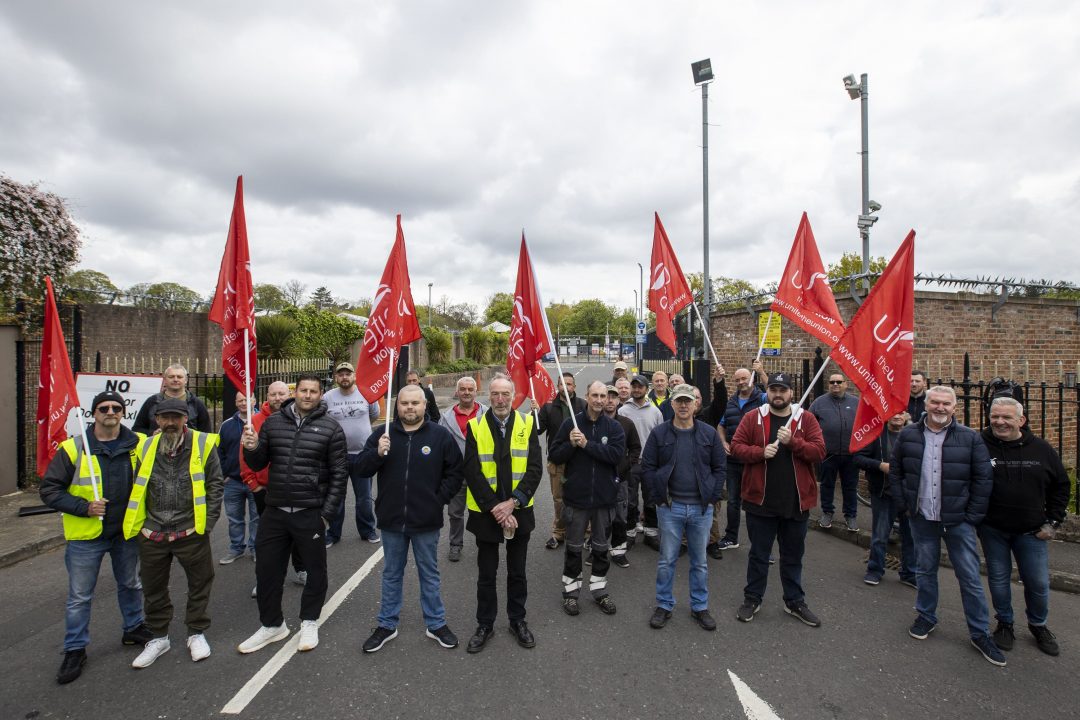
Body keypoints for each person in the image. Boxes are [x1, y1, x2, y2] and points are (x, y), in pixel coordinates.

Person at [40, 390, 152, 684]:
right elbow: (50, 491)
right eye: (104, 407)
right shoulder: (74, 449)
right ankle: (75, 648)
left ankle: (134, 628)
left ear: (123, 413)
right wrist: (84, 507)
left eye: (117, 407)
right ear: (94, 413)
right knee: (79, 597)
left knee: (130, 583)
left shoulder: (138, 444)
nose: (111, 412)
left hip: (125, 532)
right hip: (86, 536)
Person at [889, 386, 1005, 667]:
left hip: (958, 521)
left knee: (969, 578)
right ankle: (926, 616)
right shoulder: (909, 434)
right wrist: (905, 505)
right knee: (925, 571)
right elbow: (896, 471)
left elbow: (983, 479)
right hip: (922, 517)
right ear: (926, 405)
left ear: (955, 408)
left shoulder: (969, 438)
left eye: (946, 404)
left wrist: (971, 516)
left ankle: (979, 633)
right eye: (935, 403)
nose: (940, 408)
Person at [239, 374, 348, 655]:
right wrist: (251, 447)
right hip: (275, 511)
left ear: (320, 395)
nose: (308, 395)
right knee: (267, 571)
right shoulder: (274, 423)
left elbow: (339, 475)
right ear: (295, 392)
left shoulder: (331, 428)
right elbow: (259, 461)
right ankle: (272, 625)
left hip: (309, 512)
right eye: (303, 390)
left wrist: (326, 515)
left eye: (313, 391)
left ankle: (309, 621)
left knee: (315, 571)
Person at [357, 384, 464, 653]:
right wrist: (377, 453)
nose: (410, 408)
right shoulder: (382, 434)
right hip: (391, 519)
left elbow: (455, 472)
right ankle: (386, 624)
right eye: (404, 403)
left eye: (415, 403)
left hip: (425, 520)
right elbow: (361, 468)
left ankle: (436, 623)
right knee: (392, 573)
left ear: (424, 406)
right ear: (397, 406)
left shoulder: (439, 436)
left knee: (429, 573)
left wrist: (437, 499)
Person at [125, 398, 224, 668]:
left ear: (185, 419)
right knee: (153, 587)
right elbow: (135, 484)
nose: (170, 423)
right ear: (156, 420)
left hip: (190, 530)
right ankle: (159, 637)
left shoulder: (203, 444)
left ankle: (196, 632)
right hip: (152, 532)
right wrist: (142, 527)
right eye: (165, 417)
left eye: (176, 417)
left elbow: (215, 485)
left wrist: (206, 524)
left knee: (200, 583)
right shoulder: (145, 446)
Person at [730, 372, 825, 628]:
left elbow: (819, 451)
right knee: (759, 555)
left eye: (783, 390)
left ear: (791, 393)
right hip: (760, 503)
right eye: (773, 389)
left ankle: (794, 601)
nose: (778, 394)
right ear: (767, 391)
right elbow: (736, 446)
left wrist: (793, 442)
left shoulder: (805, 419)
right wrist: (760, 452)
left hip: (795, 504)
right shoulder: (753, 417)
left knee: (793, 555)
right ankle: (752, 598)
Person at [978, 397, 1070, 657]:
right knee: (998, 579)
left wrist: (1053, 522)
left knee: (1038, 583)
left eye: (1007, 417)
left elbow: (1061, 486)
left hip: (1032, 531)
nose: (999, 422)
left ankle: (1038, 625)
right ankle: (1004, 623)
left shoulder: (1041, 449)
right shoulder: (979, 445)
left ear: (1021, 420)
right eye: (995, 416)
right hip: (992, 529)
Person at [462, 376, 543, 653]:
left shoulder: (528, 422)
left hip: (519, 510)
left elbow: (534, 468)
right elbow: (472, 471)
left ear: (513, 396)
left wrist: (513, 503)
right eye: (495, 394)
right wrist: (497, 508)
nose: (499, 399)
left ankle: (517, 620)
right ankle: (485, 624)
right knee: (486, 573)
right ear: (488, 396)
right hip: (488, 513)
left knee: (517, 572)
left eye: (504, 394)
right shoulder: (475, 426)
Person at [642, 384, 725, 631]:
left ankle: (699, 606)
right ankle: (664, 604)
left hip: (701, 509)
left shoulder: (709, 434)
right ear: (673, 403)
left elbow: (720, 468)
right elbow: (648, 467)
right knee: (667, 560)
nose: (683, 405)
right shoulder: (659, 434)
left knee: (699, 562)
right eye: (679, 400)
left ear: (695, 404)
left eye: (688, 401)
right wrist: (658, 498)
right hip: (670, 508)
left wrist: (711, 497)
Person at [549, 380, 625, 617]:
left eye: (604, 396)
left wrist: (586, 444)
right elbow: (555, 454)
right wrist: (571, 444)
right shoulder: (571, 423)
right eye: (595, 395)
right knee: (573, 547)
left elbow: (615, 456)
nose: (600, 400)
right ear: (587, 396)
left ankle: (599, 591)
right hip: (577, 498)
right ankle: (571, 594)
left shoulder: (614, 428)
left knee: (601, 548)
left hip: (604, 499)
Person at [241, 381, 306, 593]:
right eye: (273, 394)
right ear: (266, 396)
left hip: (292, 488)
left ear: (289, 394)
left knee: (298, 534)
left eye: (281, 394)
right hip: (265, 490)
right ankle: (265, 579)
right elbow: (244, 455)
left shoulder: (298, 419)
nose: (278, 398)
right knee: (268, 539)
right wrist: (253, 485)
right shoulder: (255, 421)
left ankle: (301, 569)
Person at [854, 412, 916, 587]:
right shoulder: (876, 435)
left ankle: (909, 573)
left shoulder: (914, 436)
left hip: (908, 495)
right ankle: (874, 570)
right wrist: (880, 466)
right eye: (894, 413)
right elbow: (858, 458)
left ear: (907, 416)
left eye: (901, 413)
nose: (897, 416)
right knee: (880, 535)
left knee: (910, 536)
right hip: (884, 493)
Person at [324, 361, 382, 548]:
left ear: (354, 376)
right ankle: (333, 533)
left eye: (347, 374)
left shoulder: (366, 393)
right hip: (337, 456)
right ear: (336, 377)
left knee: (364, 498)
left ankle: (367, 530)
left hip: (362, 455)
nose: (344, 377)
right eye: (340, 374)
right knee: (336, 497)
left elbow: (373, 415)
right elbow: (323, 420)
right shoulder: (327, 397)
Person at [715, 362, 767, 552]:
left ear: (751, 379)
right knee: (733, 501)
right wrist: (723, 442)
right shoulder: (731, 402)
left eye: (744, 378)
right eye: (737, 380)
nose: (741, 382)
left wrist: (761, 372)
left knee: (755, 502)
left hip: (754, 461)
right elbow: (721, 425)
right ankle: (731, 537)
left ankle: (760, 544)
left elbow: (775, 394)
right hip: (733, 461)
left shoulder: (761, 399)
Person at [438, 375, 487, 563]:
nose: (466, 392)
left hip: (481, 473)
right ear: (457, 392)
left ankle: (483, 544)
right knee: (455, 513)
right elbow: (440, 446)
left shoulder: (487, 414)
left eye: (470, 389)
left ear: (476, 392)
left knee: (482, 511)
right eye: (463, 389)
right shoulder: (446, 417)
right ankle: (455, 545)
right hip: (456, 474)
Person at [537, 372, 586, 550]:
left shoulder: (583, 405)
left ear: (574, 386)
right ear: (558, 387)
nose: (566, 387)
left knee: (582, 496)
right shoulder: (549, 407)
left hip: (580, 460)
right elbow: (537, 431)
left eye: (569, 384)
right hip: (557, 460)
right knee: (559, 499)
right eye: (562, 384)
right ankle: (559, 532)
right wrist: (536, 413)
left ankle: (586, 533)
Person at [809, 372, 860, 532]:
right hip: (828, 453)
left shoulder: (856, 403)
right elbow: (810, 423)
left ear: (846, 384)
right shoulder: (819, 403)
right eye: (832, 382)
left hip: (850, 453)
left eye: (839, 382)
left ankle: (851, 515)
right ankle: (827, 512)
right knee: (827, 485)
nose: (835, 384)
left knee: (850, 486)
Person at [618, 374, 664, 550]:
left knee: (651, 499)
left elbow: (660, 438)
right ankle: (629, 533)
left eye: (640, 387)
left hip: (650, 462)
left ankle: (651, 534)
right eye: (634, 386)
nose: (636, 390)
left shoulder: (655, 412)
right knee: (630, 500)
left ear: (646, 389)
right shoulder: (623, 411)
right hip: (631, 462)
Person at [218, 391, 259, 564]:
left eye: (247, 399)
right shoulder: (226, 425)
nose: (243, 403)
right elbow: (219, 452)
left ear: (254, 401)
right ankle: (236, 548)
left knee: (257, 518)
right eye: (240, 400)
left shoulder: (261, 421)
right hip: (233, 481)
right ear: (235, 403)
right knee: (234, 518)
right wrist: (224, 474)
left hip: (256, 481)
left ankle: (256, 548)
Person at [604, 384, 641, 568]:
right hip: (598, 479)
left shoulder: (626, 423)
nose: (610, 400)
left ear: (619, 400)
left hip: (621, 479)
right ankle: (599, 551)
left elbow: (635, 448)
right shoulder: (592, 422)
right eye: (607, 396)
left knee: (620, 516)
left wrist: (626, 465)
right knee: (600, 517)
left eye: (614, 397)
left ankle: (618, 551)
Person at [132, 363, 212, 435]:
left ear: (186, 380)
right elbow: (137, 430)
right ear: (165, 380)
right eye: (171, 377)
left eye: (179, 377)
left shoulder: (197, 404)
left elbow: (206, 433)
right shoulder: (151, 402)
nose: (175, 379)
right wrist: (152, 433)